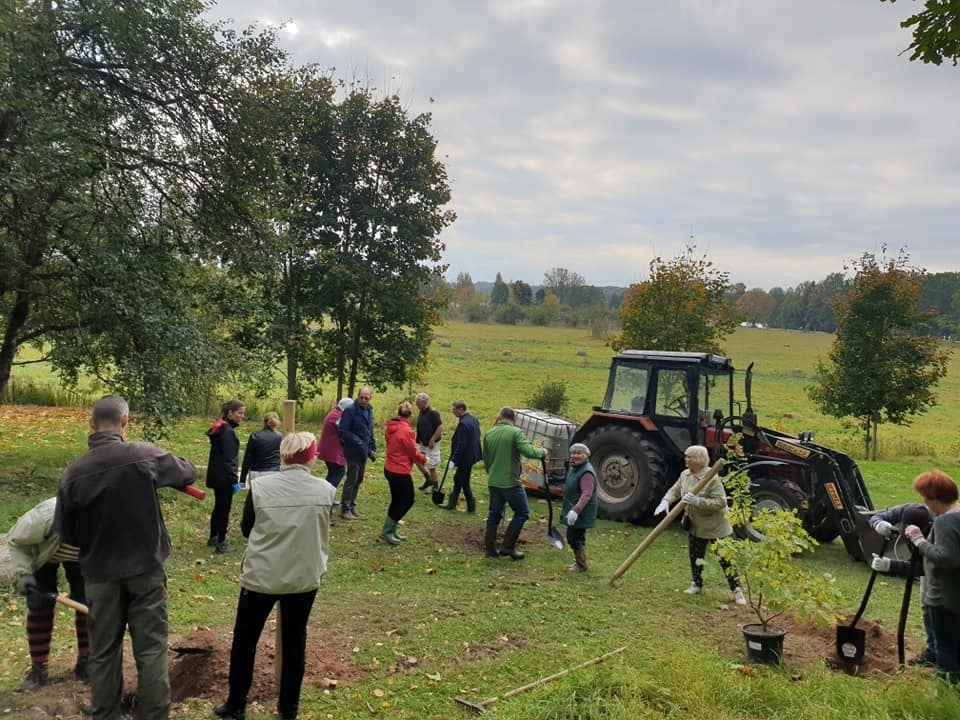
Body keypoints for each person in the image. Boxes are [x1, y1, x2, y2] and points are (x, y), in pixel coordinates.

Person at [55, 395, 197, 720]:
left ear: (90, 425)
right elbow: (186, 472)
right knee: (150, 649)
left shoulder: (73, 473)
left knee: (103, 652)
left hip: (100, 575)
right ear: (125, 422)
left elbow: (66, 534)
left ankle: (105, 715)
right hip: (146, 569)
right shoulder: (143, 455)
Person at [214, 431, 335, 720]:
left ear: (283, 456)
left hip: (262, 577)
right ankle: (288, 709)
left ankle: (236, 705)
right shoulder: (326, 490)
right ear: (311, 458)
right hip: (304, 579)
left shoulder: (260, 487)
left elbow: (246, 529)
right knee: (295, 643)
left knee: (245, 640)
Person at [9, 496, 89, 691]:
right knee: (39, 606)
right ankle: (38, 670)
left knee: (89, 603)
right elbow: (16, 541)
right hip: (42, 555)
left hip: (84, 558)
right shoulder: (45, 518)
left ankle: (87, 663)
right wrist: (25, 574)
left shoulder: (107, 520)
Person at [654, 445, 746, 605]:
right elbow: (675, 490)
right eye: (686, 456)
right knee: (696, 556)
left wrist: (699, 501)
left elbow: (720, 502)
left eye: (688, 457)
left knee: (726, 560)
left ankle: (736, 589)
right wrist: (666, 500)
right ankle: (696, 584)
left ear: (697, 459)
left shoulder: (712, 478)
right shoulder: (685, 475)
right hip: (696, 525)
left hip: (715, 526)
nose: (685, 459)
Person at [902, 469, 960, 683]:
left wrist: (919, 541)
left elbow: (947, 558)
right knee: (955, 646)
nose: (925, 503)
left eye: (926, 498)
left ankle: (947, 694)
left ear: (935, 498)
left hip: (944, 597)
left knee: (945, 649)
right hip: (956, 595)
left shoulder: (946, 522)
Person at [869, 502, 936, 665]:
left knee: (940, 610)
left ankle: (946, 656)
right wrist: (879, 524)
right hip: (926, 564)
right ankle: (933, 652)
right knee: (926, 606)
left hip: (945, 572)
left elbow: (927, 568)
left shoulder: (939, 528)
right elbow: (877, 516)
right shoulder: (907, 511)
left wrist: (891, 565)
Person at [482, 407, 549, 561]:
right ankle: (507, 547)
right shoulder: (515, 432)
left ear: (500, 417)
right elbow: (528, 451)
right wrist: (542, 452)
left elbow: (486, 458)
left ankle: (490, 549)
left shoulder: (489, 433)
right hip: (511, 482)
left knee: (494, 514)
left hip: (494, 481)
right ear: (514, 419)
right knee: (522, 513)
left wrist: (492, 473)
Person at [380, 401, 428, 545]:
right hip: (399, 471)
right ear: (410, 415)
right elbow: (412, 452)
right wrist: (424, 459)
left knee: (397, 500)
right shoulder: (406, 431)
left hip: (389, 467)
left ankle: (391, 530)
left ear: (398, 413)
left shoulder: (391, 427)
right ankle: (387, 531)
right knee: (407, 500)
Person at [206, 399, 246, 553]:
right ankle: (221, 542)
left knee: (218, 507)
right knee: (224, 509)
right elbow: (229, 459)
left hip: (216, 475)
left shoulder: (220, 427)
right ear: (230, 413)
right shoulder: (228, 432)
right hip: (224, 477)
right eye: (239, 413)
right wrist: (234, 479)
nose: (242, 416)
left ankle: (213, 536)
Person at [338, 386, 376, 520]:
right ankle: (345, 508)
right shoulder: (350, 411)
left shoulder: (369, 410)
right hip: (353, 450)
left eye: (366, 398)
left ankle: (352, 506)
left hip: (364, 451)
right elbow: (343, 430)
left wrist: (372, 448)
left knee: (359, 479)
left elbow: (370, 430)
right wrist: (358, 442)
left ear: (370, 397)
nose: (364, 400)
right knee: (352, 479)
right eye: (362, 397)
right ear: (357, 396)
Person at [561, 443, 599, 573]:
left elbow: (587, 494)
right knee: (573, 536)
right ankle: (579, 561)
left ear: (586, 455)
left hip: (581, 511)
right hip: (573, 508)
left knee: (575, 537)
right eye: (573, 453)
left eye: (579, 453)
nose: (575, 456)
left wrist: (575, 511)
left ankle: (581, 565)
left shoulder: (586, 472)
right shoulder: (575, 468)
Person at [443, 399, 482, 513]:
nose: (452, 411)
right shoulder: (473, 419)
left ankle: (470, 507)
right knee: (458, 479)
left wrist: (454, 460)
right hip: (472, 455)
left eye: (454, 409)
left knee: (464, 482)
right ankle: (452, 503)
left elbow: (461, 444)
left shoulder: (463, 423)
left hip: (465, 457)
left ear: (461, 409)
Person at [239, 411, 281, 489]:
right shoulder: (280, 437)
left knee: (255, 500)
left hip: (256, 473)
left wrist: (242, 480)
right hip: (274, 472)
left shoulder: (255, 436)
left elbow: (247, 459)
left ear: (263, 422)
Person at [317, 398, 353, 490]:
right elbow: (345, 430)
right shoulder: (338, 416)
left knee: (333, 472)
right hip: (332, 451)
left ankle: (325, 494)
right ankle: (328, 495)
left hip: (328, 449)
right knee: (339, 472)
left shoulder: (334, 413)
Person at [415, 392, 443, 493]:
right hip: (422, 442)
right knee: (417, 459)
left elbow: (440, 427)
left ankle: (435, 486)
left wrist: (433, 439)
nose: (416, 405)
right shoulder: (421, 411)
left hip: (432, 444)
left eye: (418, 403)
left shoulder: (433, 413)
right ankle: (428, 479)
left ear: (424, 402)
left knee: (431, 465)